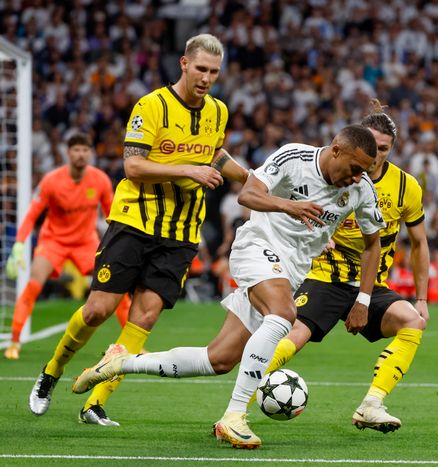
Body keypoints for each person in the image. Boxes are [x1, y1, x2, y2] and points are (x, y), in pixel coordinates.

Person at [72, 124, 386, 449]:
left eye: (364, 172)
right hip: (257, 246)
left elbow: (372, 244)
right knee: (283, 314)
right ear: (336, 150)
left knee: (218, 360)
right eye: (354, 168)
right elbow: (247, 195)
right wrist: (290, 205)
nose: (357, 178)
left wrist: (363, 299)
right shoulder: (294, 158)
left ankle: (121, 362)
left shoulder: (362, 189)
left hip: (290, 271)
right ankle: (233, 417)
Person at [28, 33, 249, 426]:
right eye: (200, 69)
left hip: (181, 233)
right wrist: (189, 170)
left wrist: (251, 178)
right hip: (135, 222)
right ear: (184, 63)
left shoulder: (218, 111)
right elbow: (132, 166)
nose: (206, 78)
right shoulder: (152, 105)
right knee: (97, 310)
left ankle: (95, 403)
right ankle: (53, 370)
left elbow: (215, 154)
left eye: (214, 72)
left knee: (144, 319)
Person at [258, 100, 430, 434]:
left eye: (383, 149)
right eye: (372, 145)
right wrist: (316, 236)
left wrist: (421, 298)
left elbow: (419, 243)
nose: (376, 155)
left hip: (370, 284)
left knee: (413, 321)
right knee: (294, 335)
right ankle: (240, 403)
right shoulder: (333, 174)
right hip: (325, 276)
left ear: (392, 149)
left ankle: (371, 405)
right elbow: (291, 205)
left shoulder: (406, 187)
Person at [3, 133, 130, 360]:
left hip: (85, 242)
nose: (80, 154)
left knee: (114, 285)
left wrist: (120, 244)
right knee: (33, 283)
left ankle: (130, 343)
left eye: (85, 150)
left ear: (91, 153)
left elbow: (112, 215)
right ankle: (14, 341)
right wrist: (19, 244)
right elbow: (32, 214)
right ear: (68, 153)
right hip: (53, 241)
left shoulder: (100, 180)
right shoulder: (51, 181)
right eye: (76, 150)